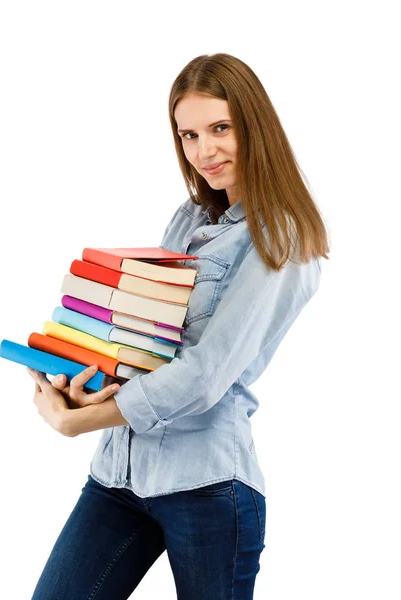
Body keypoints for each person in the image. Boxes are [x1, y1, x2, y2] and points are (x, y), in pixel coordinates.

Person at [27, 52, 330, 600]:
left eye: (221, 128)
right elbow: (149, 341)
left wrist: (82, 422)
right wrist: (81, 382)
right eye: (188, 135)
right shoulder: (189, 218)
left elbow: (204, 374)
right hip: (119, 475)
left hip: (207, 488)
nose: (203, 151)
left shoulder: (281, 239)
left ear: (255, 127)